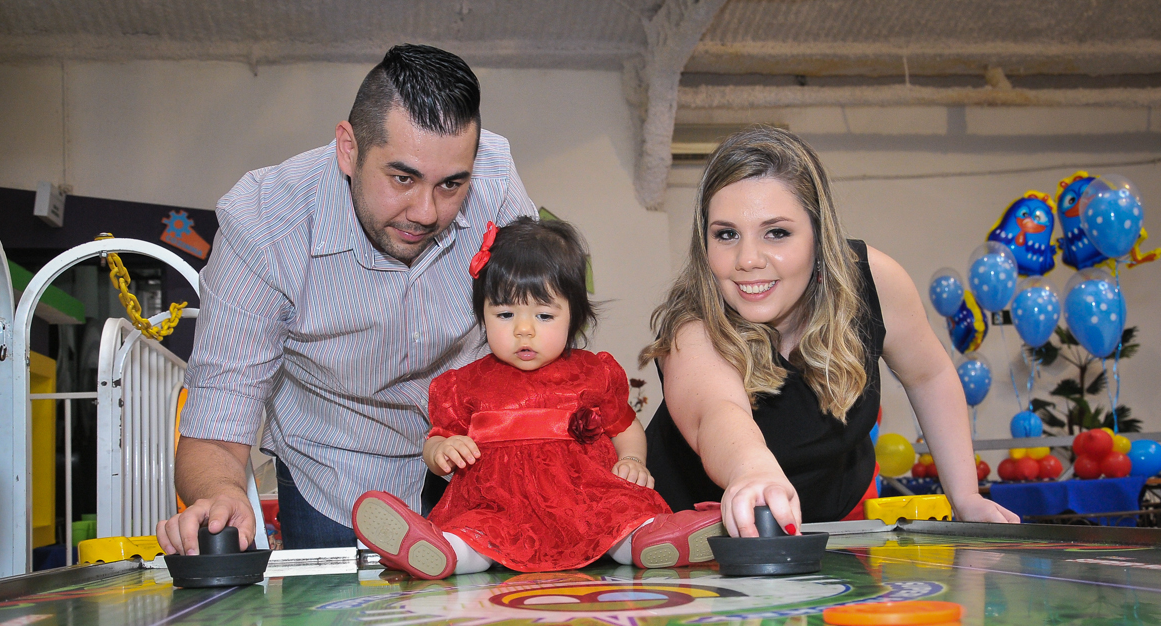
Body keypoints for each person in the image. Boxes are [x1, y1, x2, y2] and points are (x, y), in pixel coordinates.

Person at [156, 44, 538, 556]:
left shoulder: (495, 185)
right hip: (335, 475)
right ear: (348, 148)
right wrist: (221, 495)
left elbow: (538, 327)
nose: (425, 212)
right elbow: (218, 422)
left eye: (451, 185)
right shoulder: (265, 221)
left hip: (477, 455)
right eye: (402, 178)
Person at [641, 126, 1018, 538]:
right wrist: (752, 470)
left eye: (777, 232)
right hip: (695, 543)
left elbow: (929, 376)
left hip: (834, 530)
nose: (747, 259)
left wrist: (965, 497)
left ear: (819, 235)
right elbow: (718, 413)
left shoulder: (875, 280)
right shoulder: (692, 325)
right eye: (726, 234)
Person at [351, 217, 726, 579]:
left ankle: (648, 540)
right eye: (505, 313)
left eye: (544, 316)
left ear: (574, 318)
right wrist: (442, 452)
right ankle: (442, 552)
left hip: (583, 496)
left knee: (617, 518)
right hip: (498, 504)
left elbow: (625, 425)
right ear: (482, 315)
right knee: (475, 534)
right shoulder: (464, 384)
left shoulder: (591, 373)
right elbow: (436, 441)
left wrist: (631, 459)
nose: (523, 330)